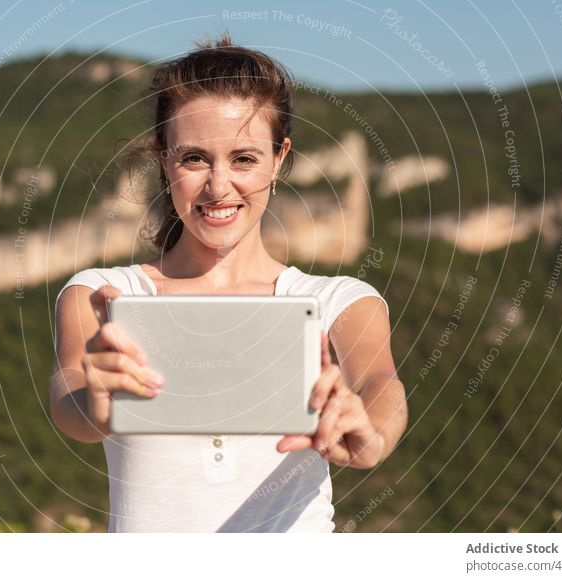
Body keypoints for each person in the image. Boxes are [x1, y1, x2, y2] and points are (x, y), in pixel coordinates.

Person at [49, 33, 408, 532]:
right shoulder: (104, 294)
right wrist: (95, 404)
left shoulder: (337, 300)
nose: (219, 187)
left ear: (280, 158)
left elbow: (379, 383)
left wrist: (369, 432)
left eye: (244, 159)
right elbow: (68, 391)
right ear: (162, 158)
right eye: (194, 158)